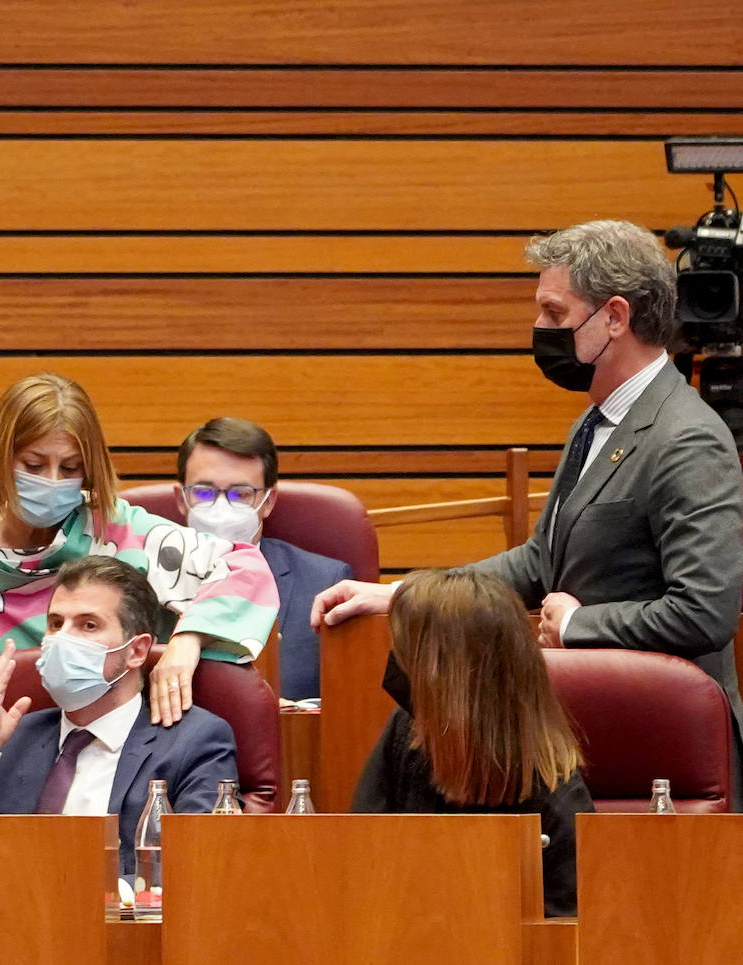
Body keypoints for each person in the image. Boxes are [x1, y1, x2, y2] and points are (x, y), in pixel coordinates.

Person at [312, 220, 743, 750]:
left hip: (667, 743)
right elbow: (540, 562)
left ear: (614, 317)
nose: (539, 326)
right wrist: (403, 594)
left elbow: (704, 611)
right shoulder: (597, 422)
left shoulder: (687, 439)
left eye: (554, 313)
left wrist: (580, 625)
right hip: (597, 723)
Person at [0, 373, 276, 810]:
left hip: (115, 780)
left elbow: (244, 567)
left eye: (71, 468)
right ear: (0, 459)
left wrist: (188, 641)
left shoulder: (126, 533)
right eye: (34, 466)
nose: (53, 482)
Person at [0, 556, 237, 871]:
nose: (63, 639)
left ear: (137, 650)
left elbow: (198, 872)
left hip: (121, 917)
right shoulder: (15, 737)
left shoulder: (195, 742)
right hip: (9, 915)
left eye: (88, 625)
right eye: (56, 624)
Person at [352, 568, 593, 918]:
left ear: (450, 681)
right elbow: (360, 859)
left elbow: (566, 939)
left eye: (407, 657)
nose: (396, 667)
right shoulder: (409, 731)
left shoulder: (557, 800)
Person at [176, 417, 351, 700]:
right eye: (204, 492)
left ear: (268, 501)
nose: (221, 506)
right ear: (181, 499)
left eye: (240, 493)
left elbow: (350, 706)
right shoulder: (137, 580)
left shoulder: (324, 583)